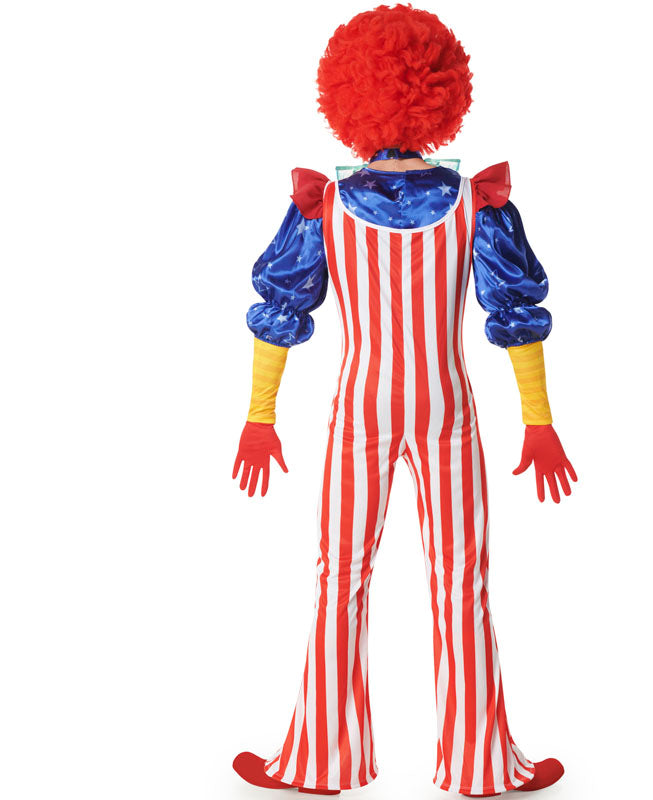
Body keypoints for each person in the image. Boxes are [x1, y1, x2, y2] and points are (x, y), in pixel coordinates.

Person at [231, 5, 576, 796]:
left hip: (361, 412)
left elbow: (281, 307)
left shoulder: (323, 204)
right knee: (463, 581)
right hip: (448, 412)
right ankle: (482, 766)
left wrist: (259, 415)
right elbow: (514, 311)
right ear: (443, 92)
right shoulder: (478, 203)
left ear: (347, 96)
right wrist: (538, 420)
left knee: (340, 577)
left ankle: (320, 761)